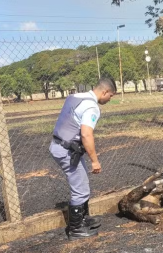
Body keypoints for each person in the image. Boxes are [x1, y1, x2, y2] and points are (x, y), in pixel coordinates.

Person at [49, 77, 116, 240]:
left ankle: (83, 219)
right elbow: (86, 134)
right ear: (105, 91)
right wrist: (94, 160)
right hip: (67, 150)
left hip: (61, 145)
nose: (110, 99)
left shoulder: (76, 97)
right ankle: (76, 229)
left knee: (82, 182)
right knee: (80, 188)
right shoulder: (91, 107)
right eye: (111, 96)